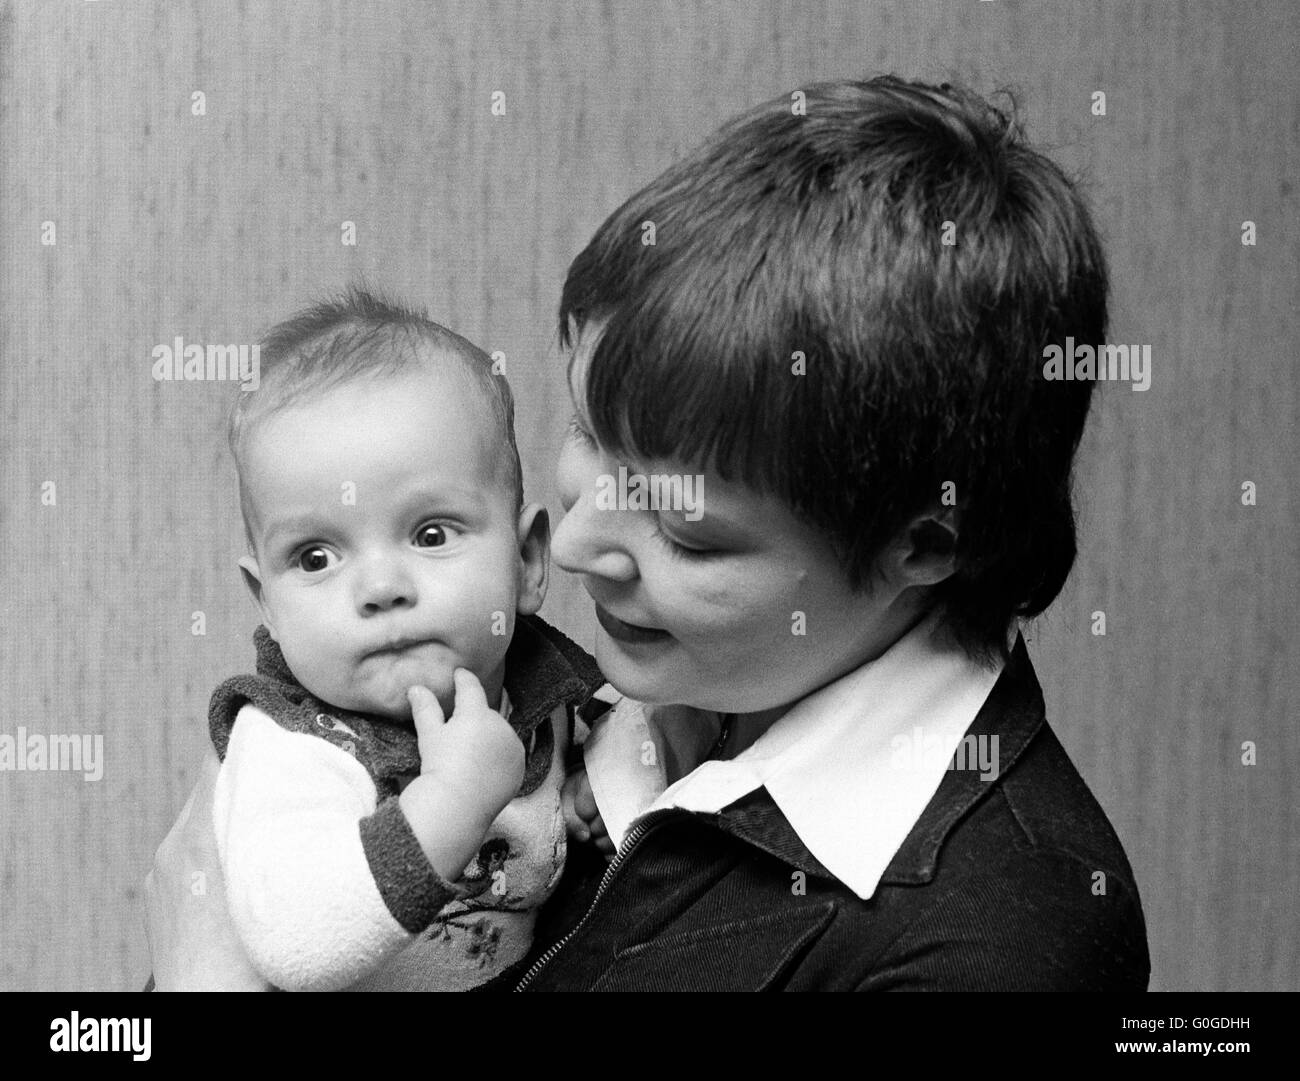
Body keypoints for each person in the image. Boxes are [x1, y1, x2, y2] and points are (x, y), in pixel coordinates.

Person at [146, 76, 1150, 991]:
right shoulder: (624, 698)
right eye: (588, 431)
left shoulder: (995, 949)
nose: (575, 542)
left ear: (919, 546)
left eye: (685, 527)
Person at [181, 288, 603, 991]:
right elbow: (296, 940)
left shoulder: (544, 689)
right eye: (316, 556)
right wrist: (453, 800)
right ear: (270, 606)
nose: (379, 586)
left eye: (431, 533)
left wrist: (590, 788)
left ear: (527, 561)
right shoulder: (295, 747)